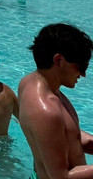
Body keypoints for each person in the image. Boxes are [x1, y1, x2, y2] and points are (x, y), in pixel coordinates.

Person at [17, 23, 93, 179]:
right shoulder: (46, 109)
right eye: (81, 66)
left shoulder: (31, 83)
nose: (84, 74)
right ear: (58, 60)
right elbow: (60, 177)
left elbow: (65, 134)